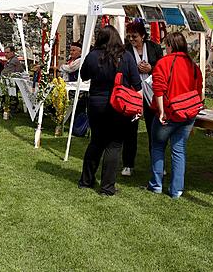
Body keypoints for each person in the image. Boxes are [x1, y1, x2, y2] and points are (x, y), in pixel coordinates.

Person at [77, 25, 141, 196]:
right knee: (114, 145)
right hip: (119, 104)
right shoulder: (126, 57)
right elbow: (137, 84)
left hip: (97, 104)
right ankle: (107, 187)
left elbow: (84, 75)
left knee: (96, 142)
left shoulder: (93, 56)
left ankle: (86, 180)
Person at [147, 32, 204, 199]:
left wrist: (162, 111)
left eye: (166, 45)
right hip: (187, 114)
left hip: (169, 113)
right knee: (179, 150)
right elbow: (198, 90)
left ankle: (156, 184)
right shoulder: (193, 66)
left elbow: (158, 89)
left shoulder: (164, 63)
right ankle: (177, 190)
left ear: (170, 46)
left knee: (158, 146)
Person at [121, 21, 164, 176]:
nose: (132, 39)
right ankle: (128, 164)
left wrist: (151, 68)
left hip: (152, 93)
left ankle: (157, 164)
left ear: (143, 36)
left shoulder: (154, 48)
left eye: (135, 37)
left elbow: (162, 66)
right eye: (129, 37)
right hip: (133, 93)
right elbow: (122, 68)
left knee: (154, 130)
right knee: (130, 130)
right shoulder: (125, 50)